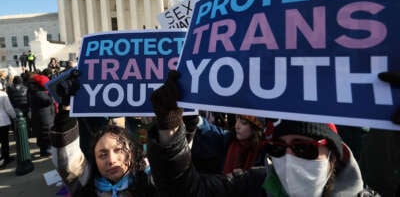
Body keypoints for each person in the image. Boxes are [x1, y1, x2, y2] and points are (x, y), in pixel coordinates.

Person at [146, 70, 379, 196]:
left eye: (303, 148)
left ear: (332, 153)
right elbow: (186, 191)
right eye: (276, 149)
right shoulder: (255, 183)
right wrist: (169, 127)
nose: (288, 160)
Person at [49, 73, 159, 197]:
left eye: (119, 150)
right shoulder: (85, 183)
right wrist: (66, 111)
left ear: (132, 152)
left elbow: (173, 165)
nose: (111, 160)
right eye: (102, 155)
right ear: (94, 160)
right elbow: (67, 162)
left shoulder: (150, 179)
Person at [28, 73, 55, 157]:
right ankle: (46, 152)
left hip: (41, 118)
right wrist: (52, 94)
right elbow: (50, 101)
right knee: (45, 137)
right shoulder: (40, 94)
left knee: (42, 137)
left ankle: (44, 151)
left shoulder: (33, 91)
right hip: (44, 119)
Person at [0, 81, 16, 168]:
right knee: (4, 141)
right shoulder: (3, 94)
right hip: (2, 121)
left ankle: (4, 158)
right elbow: (9, 108)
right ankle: (5, 159)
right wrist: (14, 116)